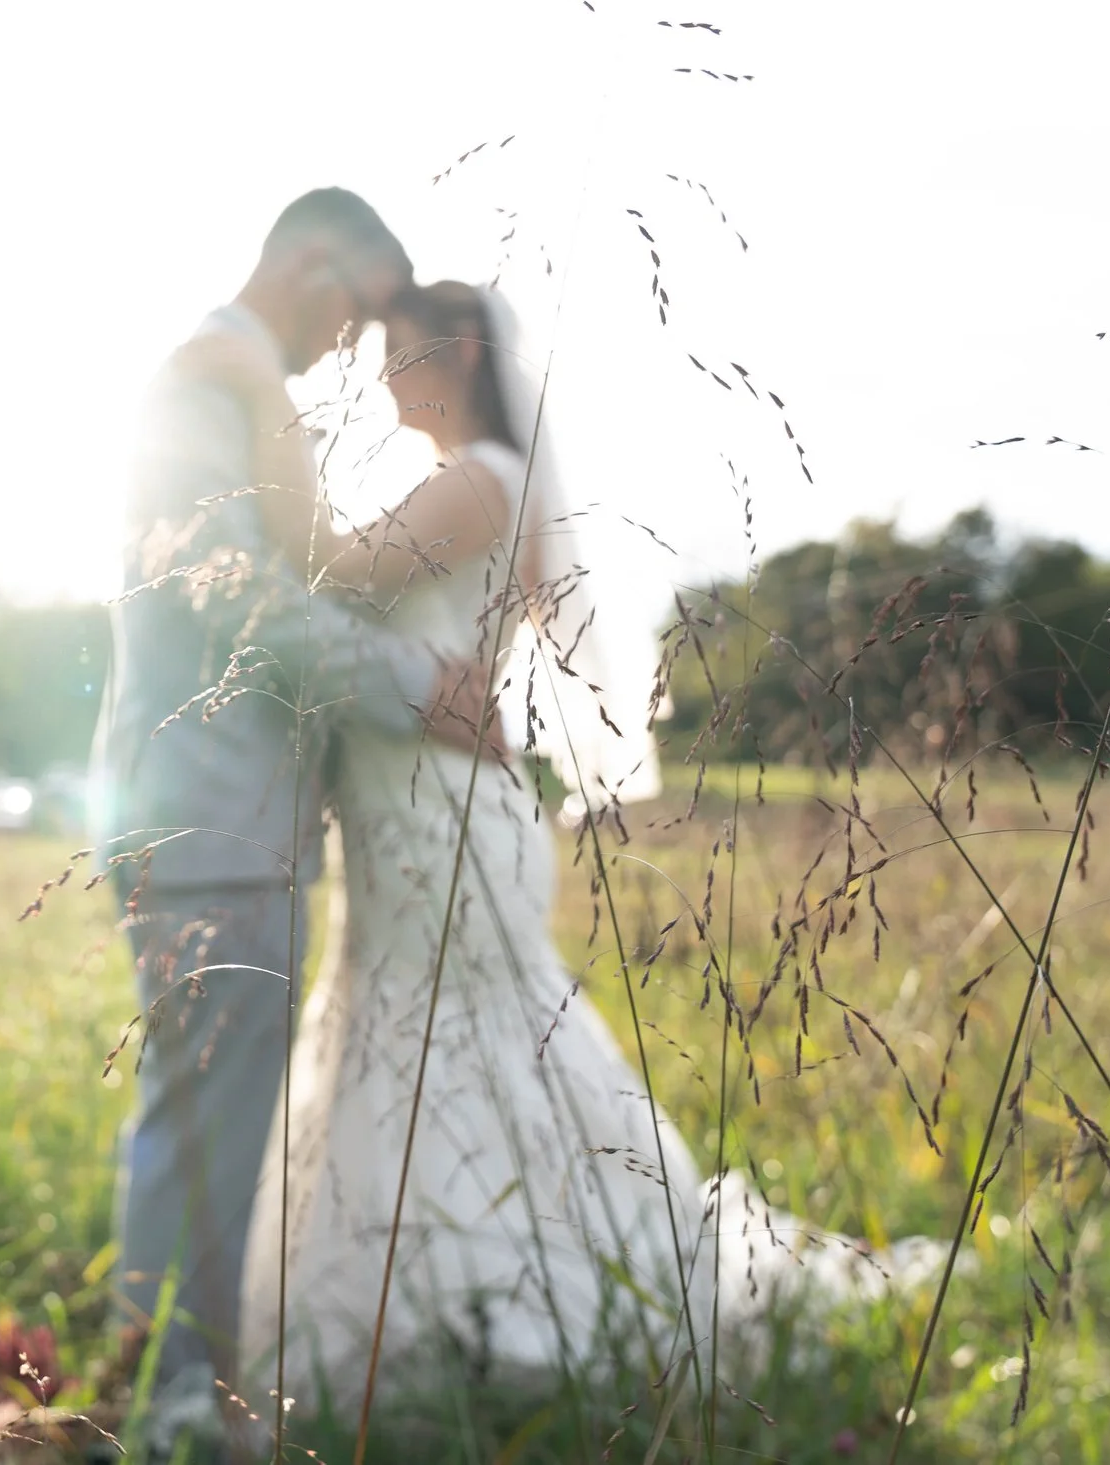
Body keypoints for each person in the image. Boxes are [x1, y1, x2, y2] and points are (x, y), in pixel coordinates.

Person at [194, 280, 928, 1419]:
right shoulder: (480, 483)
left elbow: (328, 565)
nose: (383, 377)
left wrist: (256, 406)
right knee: (407, 1035)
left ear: (461, 350)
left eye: (396, 353)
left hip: (445, 818)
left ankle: (486, 1300)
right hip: (417, 813)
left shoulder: (481, 477)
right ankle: (422, 1294)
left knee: (450, 1037)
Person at [93, 193, 493, 1450]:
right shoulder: (209, 380)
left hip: (223, 812)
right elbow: (233, 596)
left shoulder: (235, 381)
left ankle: (163, 1378)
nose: (353, 349)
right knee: (204, 1132)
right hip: (206, 809)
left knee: (199, 1116)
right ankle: (174, 1415)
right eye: (359, 312)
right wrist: (411, 688)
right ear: (316, 266)